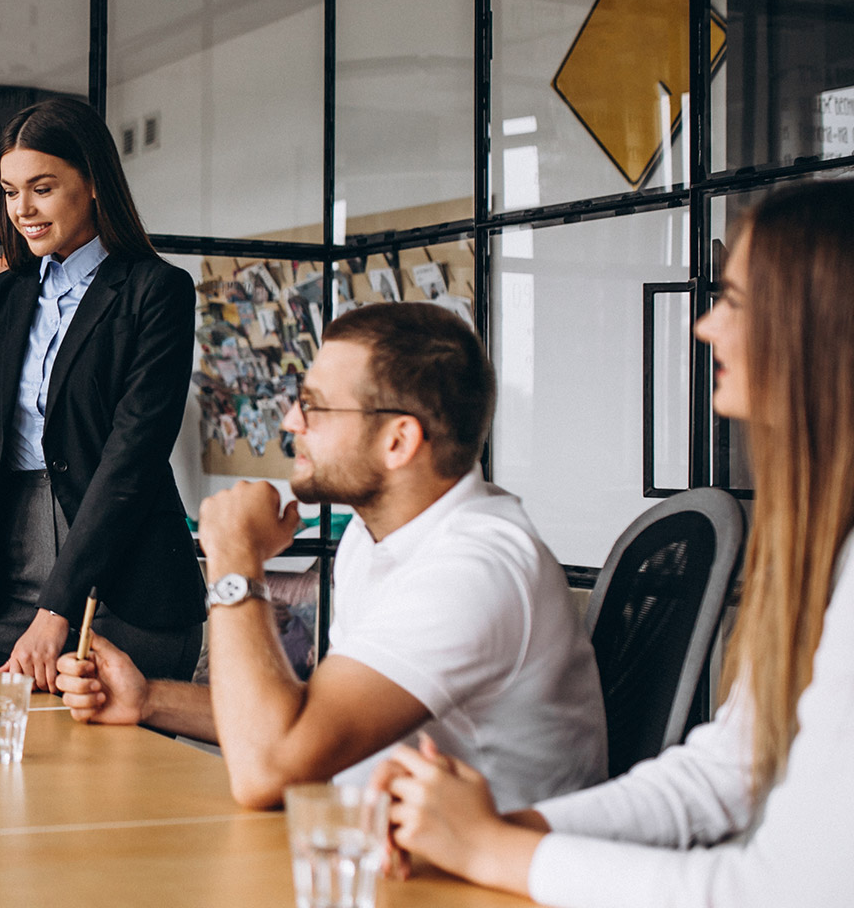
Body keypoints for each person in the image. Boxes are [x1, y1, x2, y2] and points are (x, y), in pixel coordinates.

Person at [376, 184, 854, 907]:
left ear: (821, 329)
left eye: (736, 302)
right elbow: (721, 775)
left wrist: (493, 847)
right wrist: (491, 831)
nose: (705, 327)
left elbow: (783, 892)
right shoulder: (822, 546)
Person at [56, 302, 606, 811]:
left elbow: (267, 770)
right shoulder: (375, 538)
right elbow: (308, 722)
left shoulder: (473, 569)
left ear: (398, 441)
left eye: (315, 406)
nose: (291, 422)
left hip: (479, 883)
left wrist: (234, 559)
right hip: (377, 852)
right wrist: (148, 699)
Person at [0, 97, 206, 688]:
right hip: (15, 567)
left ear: (93, 182)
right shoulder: (4, 296)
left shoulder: (157, 291)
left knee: (112, 776)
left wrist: (59, 607)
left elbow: (131, 460)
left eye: (41, 187)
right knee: (1, 761)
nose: (23, 209)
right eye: (11, 192)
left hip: (129, 580)